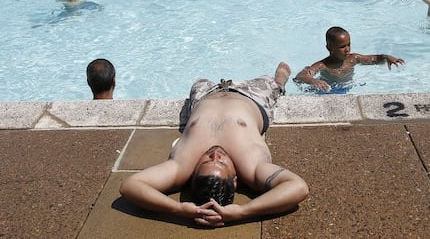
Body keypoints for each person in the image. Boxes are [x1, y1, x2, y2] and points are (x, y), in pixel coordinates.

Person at [119, 61, 309, 227]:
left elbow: (130, 185)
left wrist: (179, 209)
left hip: (205, 94)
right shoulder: (252, 168)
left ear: (193, 172)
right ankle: (280, 83)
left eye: (206, 161)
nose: (216, 155)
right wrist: (244, 211)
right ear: (235, 180)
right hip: (253, 96)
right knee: (271, 83)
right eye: (222, 163)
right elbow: (298, 187)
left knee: (198, 80)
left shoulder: (181, 167)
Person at [293, 27, 404, 92]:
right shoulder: (323, 65)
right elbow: (300, 77)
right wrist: (314, 81)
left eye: (348, 45)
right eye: (342, 47)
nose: (347, 49)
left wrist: (386, 57)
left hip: (348, 88)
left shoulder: (353, 59)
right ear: (329, 48)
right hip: (328, 91)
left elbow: (373, 59)